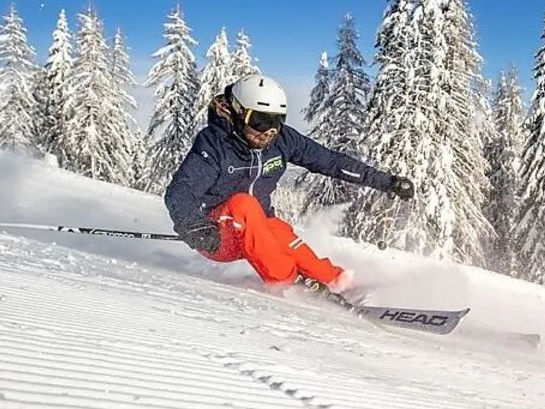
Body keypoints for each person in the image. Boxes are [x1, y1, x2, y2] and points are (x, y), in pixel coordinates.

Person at [163, 74, 413, 298]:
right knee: (244, 204)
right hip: (219, 235)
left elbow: (331, 162)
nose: (269, 131)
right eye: (259, 121)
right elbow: (181, 191)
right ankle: (287, 282)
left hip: (259, 233)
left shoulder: (282, 140)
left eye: (276, 121)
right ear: (238, 112)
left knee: (280, 232)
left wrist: (385, 182)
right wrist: (197, 229)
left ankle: (339, 281)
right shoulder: (215, 144)